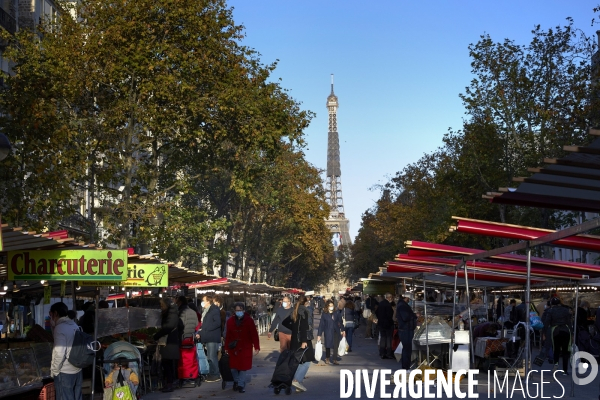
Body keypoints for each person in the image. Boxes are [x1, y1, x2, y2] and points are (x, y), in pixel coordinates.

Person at [281, 295, 315, 392]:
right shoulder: (304, 311)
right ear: (305, 302)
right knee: (307, 361)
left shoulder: (294, 311)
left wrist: (294, 329)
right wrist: (304, 341)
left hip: (295, 339)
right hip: (303, 339)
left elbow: (284, 322)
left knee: (299, 361)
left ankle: (298, 383)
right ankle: (296, 380)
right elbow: (304, 327)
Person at [224, 302, 260, 393]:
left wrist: (256, 347)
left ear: (243, 310)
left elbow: (254, 335)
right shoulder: (230, 321)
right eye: (237, 310)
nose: (238, 312)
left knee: (243, 368)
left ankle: (240, 385)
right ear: (234, 311)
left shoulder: (249, 320)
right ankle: (236, 381)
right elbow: (227, 335)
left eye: (240, 310)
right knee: (233, 368)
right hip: (233, 347)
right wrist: (226, 347)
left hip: (245, 347)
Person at [50, 301, 82, 400]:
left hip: (65, 372)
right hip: (78, 370)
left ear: (55, 313)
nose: (50, 318)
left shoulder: (60, 328)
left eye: (50, 315)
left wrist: (55, 371)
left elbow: (59, 352)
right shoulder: (74, 325)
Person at [153, 298, 182, 392]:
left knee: (167, 364)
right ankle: (169, 383)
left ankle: (170, 383)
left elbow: (168, 328)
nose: (161, 306)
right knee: (167, 363)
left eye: (162, 305)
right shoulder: (171, 313)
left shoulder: (171, 315)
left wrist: (156, 335)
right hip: (169, 342)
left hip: (169, 342)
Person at [543, 296, 572, 375]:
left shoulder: (550, 311)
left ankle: (556, 364)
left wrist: (544, 333)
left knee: (556, 349)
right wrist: (571, 333)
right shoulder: (566, 310)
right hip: (566, 331)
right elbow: (569, 322)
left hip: (556, 331)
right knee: (565, 351)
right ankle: (565, 370)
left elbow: (547, 323)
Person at [198, 294, 222, 382]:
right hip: (207, 336)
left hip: (212, 337)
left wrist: (206, 329)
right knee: (209, 357)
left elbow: (217, 323)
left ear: (208, 301)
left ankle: (215, 374)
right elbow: (205, 324)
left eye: (203, 300)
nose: (202, 302)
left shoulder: (214, 310)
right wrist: (201, 332)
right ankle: (212, 373)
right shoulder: (206, 310)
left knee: (212, 357)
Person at [316, 300, 344, 365]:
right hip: (328, 331)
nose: (331, 307)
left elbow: (340, 321)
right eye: (330, 306)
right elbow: (321, 324)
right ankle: (327, 358)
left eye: (332, 305)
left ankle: (334, 359)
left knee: (336, 345)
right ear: (327, 306)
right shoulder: (324, 314)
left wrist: (343, 330)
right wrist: (319, 334)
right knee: (328, 345)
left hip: (335, 331)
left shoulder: (336, 312)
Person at [396, 296, 417, 370]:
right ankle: (405, 367)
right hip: (406, 329)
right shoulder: (402, 306)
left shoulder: (402, 305)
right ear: (406, 298)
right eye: (409, 299)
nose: (409, 300)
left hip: (406, 329)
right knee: (407, 349)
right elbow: (405, 317)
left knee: (407, 349)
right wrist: (415, 315)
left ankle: (406, 366)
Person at [375, 293, 395, 359]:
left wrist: (380, 319)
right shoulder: (388, 305)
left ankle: (382, 353)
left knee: (383, 338)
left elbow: (376, 312)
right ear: (389, 297)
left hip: (381, 323)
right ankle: (388, 353)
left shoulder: (381, 303)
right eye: (391, 297)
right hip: (388, 324)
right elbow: (390, 315)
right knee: (389, 339)